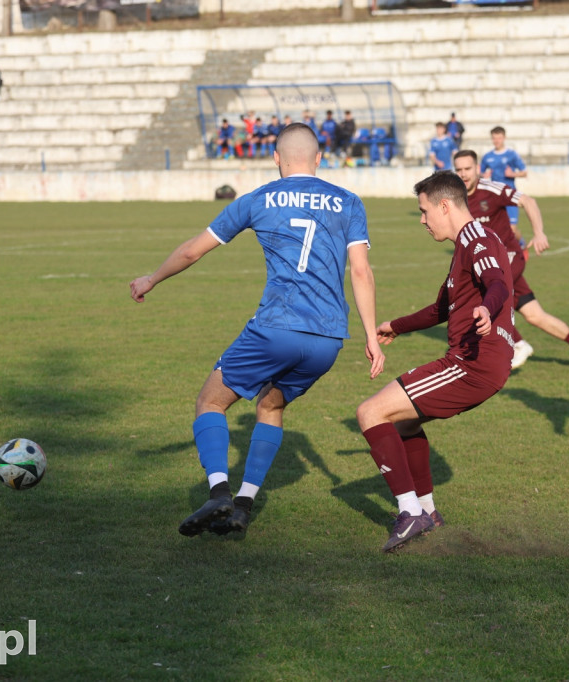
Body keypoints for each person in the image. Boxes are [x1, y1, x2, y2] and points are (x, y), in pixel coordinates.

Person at [129, 123, 386, 537]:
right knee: (271, 406)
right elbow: (361, 271)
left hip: (276, 328)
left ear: (276, 158)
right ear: (319, 158)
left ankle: (219, 493)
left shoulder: (259, 198)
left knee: (210, 402)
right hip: (328, 340)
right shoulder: (349, 202)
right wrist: (371, 335)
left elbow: (193, 251)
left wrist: (151, 279)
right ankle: (243, 507)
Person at [356, 170, 515, 552]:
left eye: (424, 211)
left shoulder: (477, 239)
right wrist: (396, 326)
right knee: (405, 423)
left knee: (370, 413)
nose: (422, 220)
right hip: (478, 362)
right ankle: (427, 510)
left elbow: (497, 282)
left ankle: (411, 513)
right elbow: (442, 308)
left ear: (445, 206)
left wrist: (487, 309)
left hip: (472, 364)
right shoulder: (466, 245)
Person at [454, 149, 569, 373]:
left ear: (477, 169)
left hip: (509, 257)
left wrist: (539, 232)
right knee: (534, 315)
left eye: (468, 169)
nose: (464, 174)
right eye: (459, 170)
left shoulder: (491, 189)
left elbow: (528, 201)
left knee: (480, 298)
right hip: (488, 265)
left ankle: (518, 345)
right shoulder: (457, 198)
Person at [480, 126, 528, 236]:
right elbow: (479, 173)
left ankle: (521, 243)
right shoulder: (487, 157)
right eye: (494, 138)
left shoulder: (512, 155)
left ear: (504, 138)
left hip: (510, 195)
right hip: (495, 197)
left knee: (512, 230)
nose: (496, 141)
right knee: (495, 229)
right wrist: (483, 175)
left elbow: (524, 172)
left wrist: (512, 174)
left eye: (499, 138)